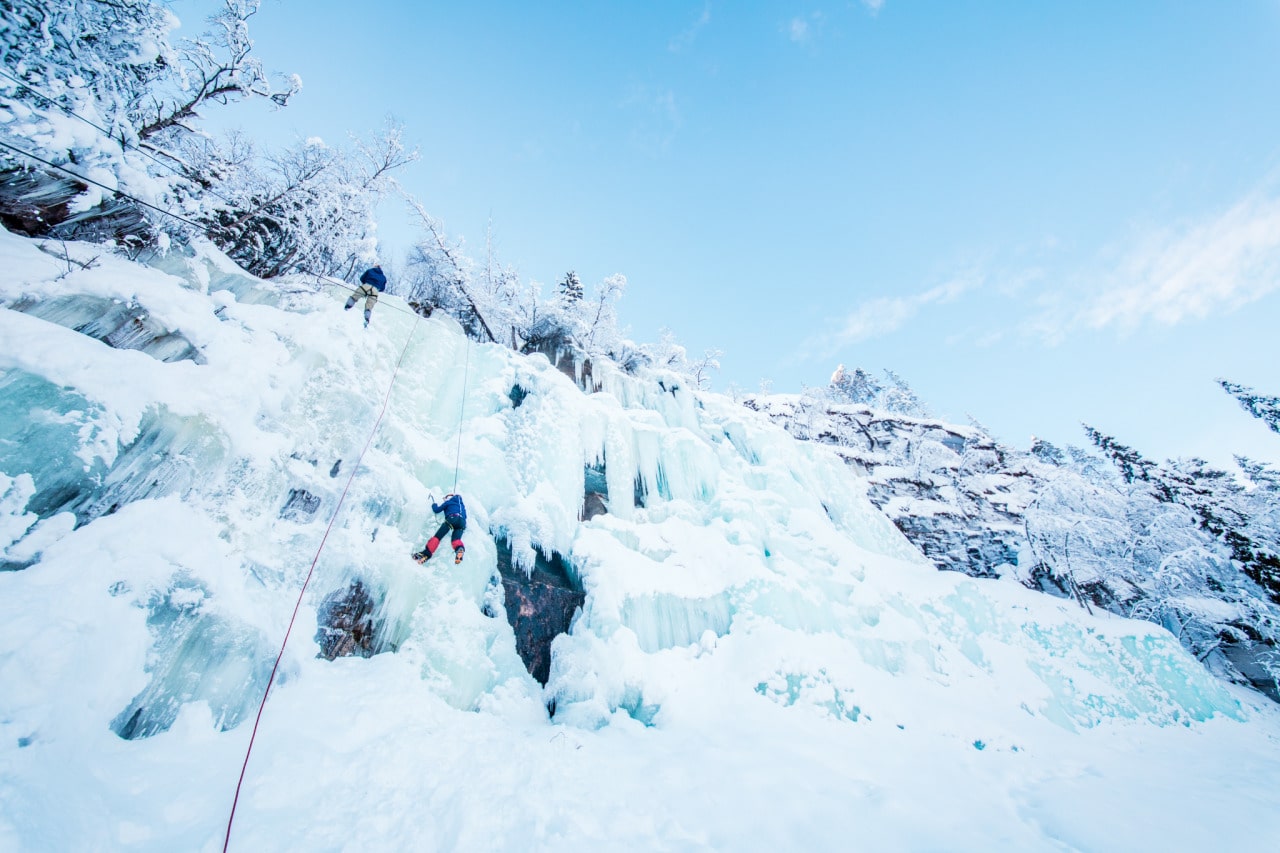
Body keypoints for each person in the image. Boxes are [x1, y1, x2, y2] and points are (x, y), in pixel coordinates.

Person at [413, 493, 466, 564]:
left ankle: (426, 554)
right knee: (456, 540)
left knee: (437, 537)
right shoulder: (462, 506)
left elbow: (436, 510)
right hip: (462, 522)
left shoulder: (448, 502)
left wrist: (434, 505)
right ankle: (459, 549)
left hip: (452, 518)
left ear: (450, 498)